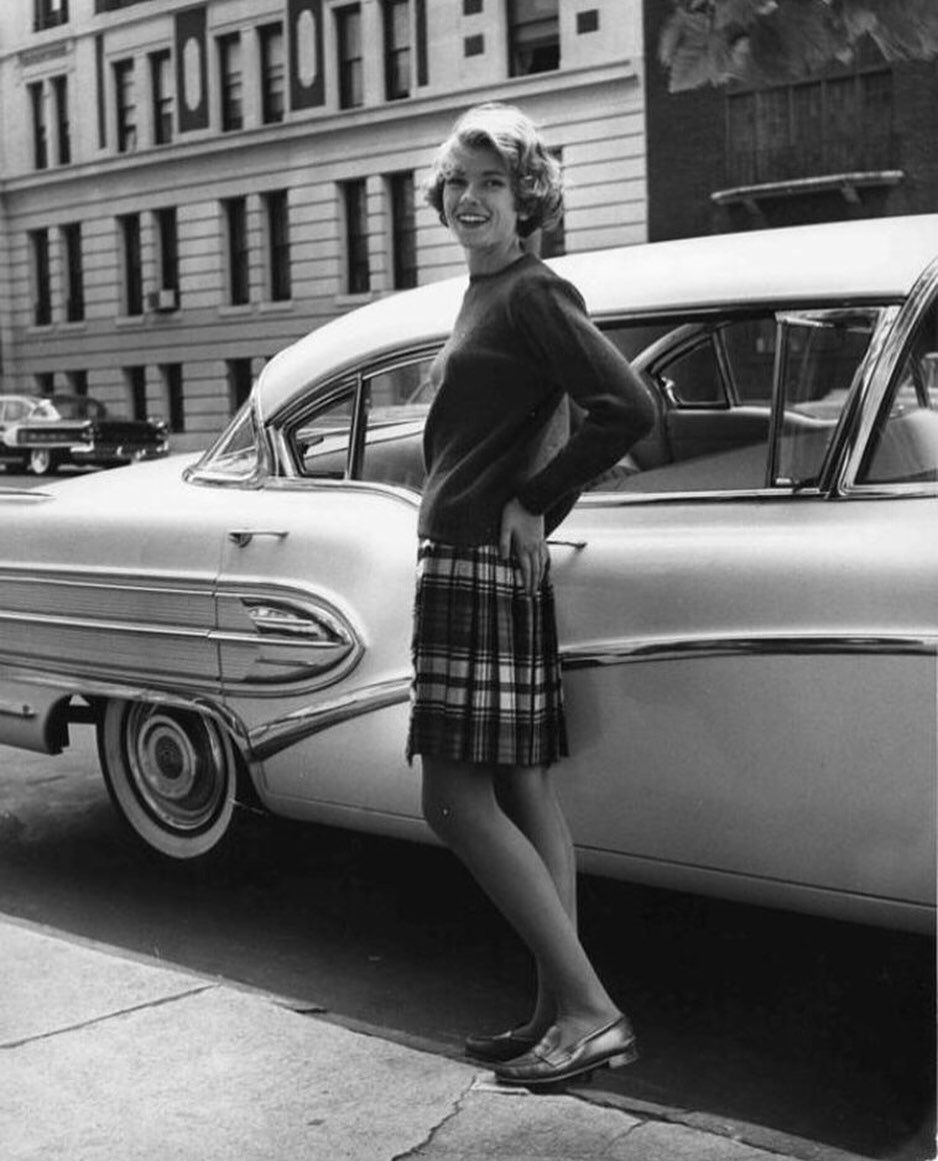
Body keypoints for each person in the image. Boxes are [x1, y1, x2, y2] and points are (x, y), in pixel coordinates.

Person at [406, 102, 657, 1088]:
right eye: (458, 182)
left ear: (528, 198)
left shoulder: (530, 291)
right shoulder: (487, 291)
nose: (469, 198)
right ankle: (560, 1012)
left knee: (450, 799)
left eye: (493, 183)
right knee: (519, 787)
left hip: (476, 559)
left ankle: (591, 1010)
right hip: (473, 557)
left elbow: (624, 406)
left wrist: (535, 501)